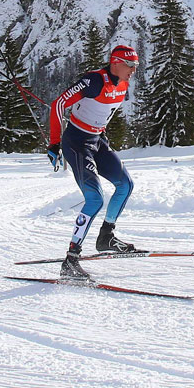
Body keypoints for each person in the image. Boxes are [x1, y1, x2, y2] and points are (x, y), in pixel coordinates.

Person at [47, 45, 140, 280]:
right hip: (77, 142)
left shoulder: (123, 84)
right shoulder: (94, 81)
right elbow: (58, 104)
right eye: (130, 65)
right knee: (95, 198)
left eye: (136, 66)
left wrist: (100, 132)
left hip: (97, 139)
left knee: (125, 185)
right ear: (116, 62)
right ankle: (71, 260)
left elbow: (103, 111)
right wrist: (54, 143)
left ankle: (106, 236)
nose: (133, 70)